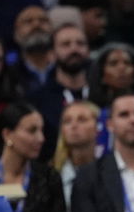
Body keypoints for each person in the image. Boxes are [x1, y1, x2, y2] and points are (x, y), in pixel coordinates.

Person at [29, 23, 92, 162]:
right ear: (51, 54)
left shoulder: (102, 95)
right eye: (66, 44)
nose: (74, 49)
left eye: (80, 43)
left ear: (88, 50)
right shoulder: (37, 101)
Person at [52, 100, 99, 212]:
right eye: (67, 121)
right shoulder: (52, 174)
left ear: (98, 127)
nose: (74, 126)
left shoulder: (110, 171)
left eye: (82, 120)